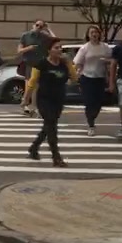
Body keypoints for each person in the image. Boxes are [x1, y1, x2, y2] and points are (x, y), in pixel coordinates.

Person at [25, 36, 77, 167]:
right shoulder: (41, 64)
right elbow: (32, 82)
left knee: (49, 126)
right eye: (56, 48)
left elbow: (74, 78)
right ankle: (56, 156)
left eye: (60, 48)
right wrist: (26, 99)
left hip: (58, 100)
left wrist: (69, 63)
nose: (59, 50)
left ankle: (34, 148)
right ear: (49, 50)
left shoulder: (64, 64)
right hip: (44, 100)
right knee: (52, 126)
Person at [73, 25, 113, 136]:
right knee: (89, 102)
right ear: (88, 35)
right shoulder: (85, 48)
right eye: (92, 32)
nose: (94, 34)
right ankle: (91, 124)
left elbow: (112, 61)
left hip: (100, 78)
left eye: (96, 32)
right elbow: (77, 62)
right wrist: (77, 73)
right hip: (87, 78)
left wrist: (106, 62)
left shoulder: (105, 47)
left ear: (99, 34)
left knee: (98, 102)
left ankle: (93, 117)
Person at [17, 19, 51, 116]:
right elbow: (19, 50)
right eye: (37, 25)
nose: (38, 27)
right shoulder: (26, 36)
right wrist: (29, 48)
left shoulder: (44, 36)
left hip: (40, 64)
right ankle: (26, 104)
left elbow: (55, 40)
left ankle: (31, 105)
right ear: (33, 25)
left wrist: (49, 29)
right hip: (29, 63)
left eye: (41, 26)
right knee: (30, 85)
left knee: (36, 86)